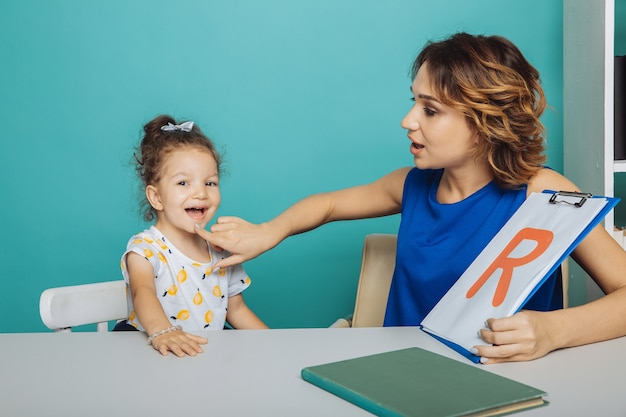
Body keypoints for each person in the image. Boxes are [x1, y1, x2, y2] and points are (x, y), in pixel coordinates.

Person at [195, 32, 626, 364]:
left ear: (485, 121)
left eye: (430, 110)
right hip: (401, 376)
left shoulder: (544, 191)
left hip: (503, 381)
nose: (407, 121)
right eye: (413, 103)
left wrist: (553, 332)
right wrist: (269, 232)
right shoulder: (411, 185)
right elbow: (326, 205)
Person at [118, 114, 267, 357]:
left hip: (199, 356)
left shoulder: (220, 251)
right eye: (183, 183)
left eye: (210, 183)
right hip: (153, 354)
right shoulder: (145, 249)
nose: (200, 193)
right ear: (156, 197)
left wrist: (277, 344)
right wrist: (162, 331)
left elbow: (237, 311)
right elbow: (142, 292)